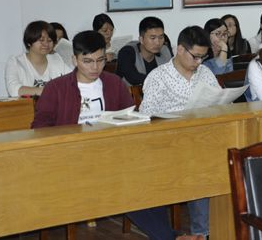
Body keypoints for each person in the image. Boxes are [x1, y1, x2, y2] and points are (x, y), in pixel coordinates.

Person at [31, 31, 181, 239]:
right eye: (87, 61)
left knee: (149, 176)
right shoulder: (56, 88)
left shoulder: (113, 83)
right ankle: (170, 237)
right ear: (74, 60)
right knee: (123, 184)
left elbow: (130, 116)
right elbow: (39, 129)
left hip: (112, 153)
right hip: (73, 158)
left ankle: (168, 236)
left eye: (100, 60)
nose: (95, 67)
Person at [139, 26, 220, 238]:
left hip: (205, 137)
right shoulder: (159, 77)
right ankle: (203, 233)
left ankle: (225, 227)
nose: (199, 62)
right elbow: (146, 118)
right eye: (195, 57)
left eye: (203, 57)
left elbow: (219, 102)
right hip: (170, 144)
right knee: (199, 163)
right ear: (180, 49)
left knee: (229, 158)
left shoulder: (205, 73)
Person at [5, 21, 73, 97]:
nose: (46, 44)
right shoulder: (15, 62)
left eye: (49, 40)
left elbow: (73, 82)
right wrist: (51, 91)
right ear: (29, 42)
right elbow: (14, 90)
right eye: (41, 40)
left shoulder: (57, 59)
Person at [116, 17, 173, 86]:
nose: (157, 43)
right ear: (141, 39)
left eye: (161, 37)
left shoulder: (165, 51)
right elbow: (133, 77)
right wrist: (160, 80)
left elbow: (174, 75)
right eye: (153, 38)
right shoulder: (127, 52)